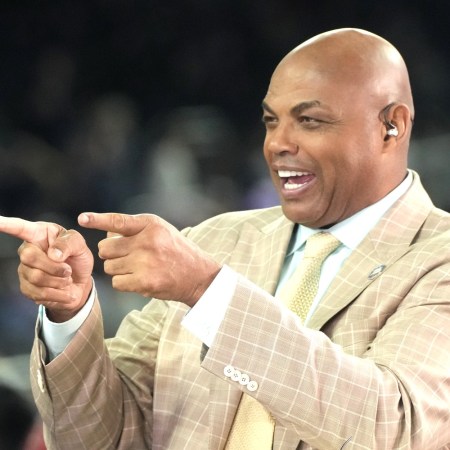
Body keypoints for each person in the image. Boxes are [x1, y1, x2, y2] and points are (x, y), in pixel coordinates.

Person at [1, 27, 450, 449]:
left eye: (310, 120)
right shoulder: (213, 242)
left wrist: (208, 291)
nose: (277, 143)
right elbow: (103, 437)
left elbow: (395, 426)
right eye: (271, 121)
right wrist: (70, 313)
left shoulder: (438, 258)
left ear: (391, 126)